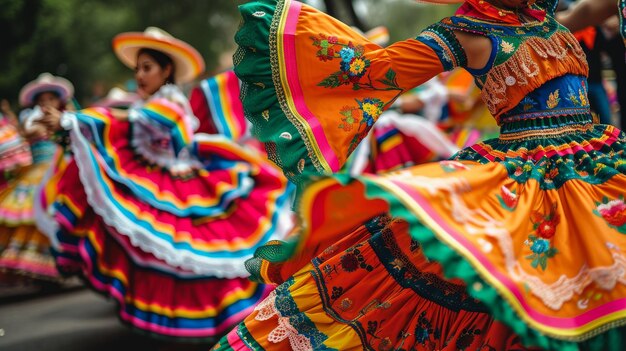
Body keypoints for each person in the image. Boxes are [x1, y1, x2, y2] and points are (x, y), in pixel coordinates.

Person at [212, 0, 626, 350]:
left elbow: (595, 6)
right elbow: (373, 70)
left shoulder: (551, 21)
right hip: (525, 180)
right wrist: (293, 39)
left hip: (599, 159)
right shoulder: (467, 31)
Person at [39, 27, 294, 343]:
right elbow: (126, 125)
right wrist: (70, 128)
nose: (140, 75)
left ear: (166, 70)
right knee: (164, 253)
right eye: (137, 69)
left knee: (199, 252)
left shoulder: (170, 101)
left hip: (188, 178)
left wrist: (73, 121)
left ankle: (233, 317)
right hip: (164, 178)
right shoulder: (149, 103)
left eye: (147, 68)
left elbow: (137, 122)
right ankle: (188, 322)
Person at [0, 73, 72, 284]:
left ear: (59, 101)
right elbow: (27, 132)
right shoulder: (31, 118)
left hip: (60, 169)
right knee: (33, 214)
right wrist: (42, 127)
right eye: (42, 100)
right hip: (36, 173)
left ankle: (64, 262)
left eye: (50, 99)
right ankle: (41, 267)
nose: (46, 103)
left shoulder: (66, 118)